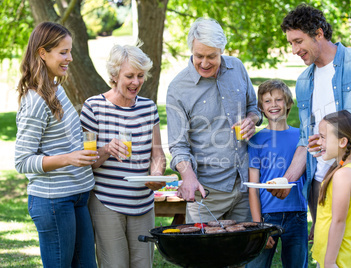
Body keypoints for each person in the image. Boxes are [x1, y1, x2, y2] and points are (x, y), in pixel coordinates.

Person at [279, 4, 351, 267]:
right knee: (326, 255)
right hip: (319, 182)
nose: (294, 49)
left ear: (318, 33)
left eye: (298, 41)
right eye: (290, 43)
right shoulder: (303, 81)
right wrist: (287, 180)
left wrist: (344, 140)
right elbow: (306, 139)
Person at [14, 22, 97, 267]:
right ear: (43, 53)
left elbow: (63, 138)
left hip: (78, 194)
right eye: (63, 52)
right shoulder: (35, 101)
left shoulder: (55, 87)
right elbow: (22, 161)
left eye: (70, 51)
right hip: (53, 200)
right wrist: (69, 158)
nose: (70, 58)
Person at [166, 18, 261, 223]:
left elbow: (254, 108)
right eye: (199, 55)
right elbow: (178, 145)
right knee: (204, 254)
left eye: (212, 56)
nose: (205, 62)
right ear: (191, 48)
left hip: (245, 185)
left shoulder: (237, 68)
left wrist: (252, 120)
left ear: (222, 50)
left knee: (244, 251)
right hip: (207, 192)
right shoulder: (178, 88)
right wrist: (187, 176)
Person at [80, 43, 166, 267]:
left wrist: (156, 175)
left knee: (143, 265)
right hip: (107, 202)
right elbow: (86, 162)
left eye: (140, 75)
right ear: (114, 75)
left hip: (143, 203)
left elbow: (157, 154)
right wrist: (107, 149)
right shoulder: (93, 107)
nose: (136, 82)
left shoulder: (148, 108)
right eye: (129, 76)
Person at [245, 80, 308, 268]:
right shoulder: (255, 140)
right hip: (266, 217)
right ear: (260, 108)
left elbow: (311, 181)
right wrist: (258, 227)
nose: (273, 105)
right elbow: (253, 189)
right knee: (256, 265)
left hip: (297, 214)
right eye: (267, 101)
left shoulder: (302, 137)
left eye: (279, 100)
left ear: (289, 104)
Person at [312, 110, 351, 268]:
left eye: (323, 137)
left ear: (342, 142)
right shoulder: (343, 169)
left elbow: (339, 221)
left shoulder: (344, 175)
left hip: (337, 260)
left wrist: (329, 262)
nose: (319, 142)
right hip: (330, 256)